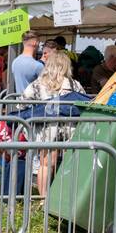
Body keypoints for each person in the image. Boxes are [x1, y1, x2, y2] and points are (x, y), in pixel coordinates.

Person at [21, 50, 86, 197]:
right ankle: (64, 197)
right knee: (68, 163)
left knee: (45, 164)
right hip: (69, 129)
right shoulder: (74, 84)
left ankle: (44, 197)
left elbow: (23, 104)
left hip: (46, 129)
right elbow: (83, 105)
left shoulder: (38, 84)